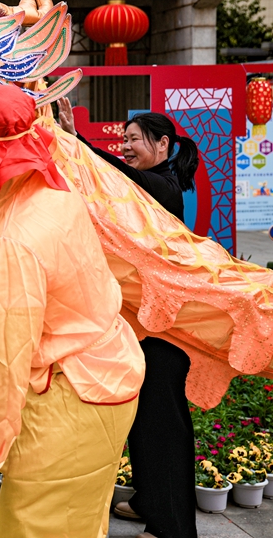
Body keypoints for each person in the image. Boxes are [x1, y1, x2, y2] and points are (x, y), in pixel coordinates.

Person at [0, 84, 145, 538]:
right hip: (106, 381)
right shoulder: (54, 187)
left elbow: (5, 363)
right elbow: (17, 213)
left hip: (68, 401)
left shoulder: (13, 244)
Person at [58, 98, 200, 538]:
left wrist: (75, 140)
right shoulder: (152, 185)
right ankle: (148, 502)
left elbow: (118, 176)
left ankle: (172, 527)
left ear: (162, 144)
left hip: (164, 329)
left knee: (161, 425)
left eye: (134, 139)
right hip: (144, 322)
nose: (124, 146)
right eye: (123, 139)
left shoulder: (165, 186)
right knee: (142, 420)